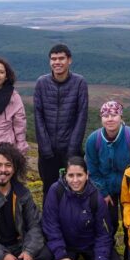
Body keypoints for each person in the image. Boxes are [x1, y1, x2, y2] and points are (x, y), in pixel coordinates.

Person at [42, 157, 124, 260]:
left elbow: (104, 232)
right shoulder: (56, 190)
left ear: (87, 175)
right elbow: (51, 225)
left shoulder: (96, 196)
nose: (75, 180)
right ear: (65, 175)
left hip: (90, 244)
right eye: (71, 175)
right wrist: (61, 255)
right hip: (67, 244)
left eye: (79, 175)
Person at [34, 43, 89, 199]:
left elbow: (81, 116)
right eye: (53, 59)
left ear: (69, 60)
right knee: (49, 190)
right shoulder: (41, 83)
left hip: (70, 149)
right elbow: (38, 116)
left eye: (61, 58)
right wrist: (45, 147)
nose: (57, 62)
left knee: (74, 189)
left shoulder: (79, 82)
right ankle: (49, 216)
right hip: (47, 151)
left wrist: (72, 150)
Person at [85, 100, 130, 242]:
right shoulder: (93, 140)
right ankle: (108, 249)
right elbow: (92, 169)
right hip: (106, 187)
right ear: (101, 118)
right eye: (106, 116)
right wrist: (103, 192)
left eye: (114, 115)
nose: (110, 119)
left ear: (121, 117)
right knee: (109, 223)